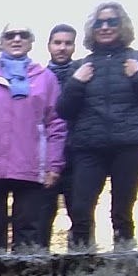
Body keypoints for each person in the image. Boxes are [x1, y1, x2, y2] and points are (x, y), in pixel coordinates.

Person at [55, 2, 138, 252]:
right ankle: (80, 266)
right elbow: (63, 110)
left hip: (129, 145)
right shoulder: (79, 66)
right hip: (88, 147)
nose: (105, 27)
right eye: (99, 23)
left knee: (122, 212)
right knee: (80, 210)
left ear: (122, 25)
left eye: (112, 22)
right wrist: (76, 83)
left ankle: (124, 264)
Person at [0, 25, 67, 253]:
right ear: (1, 42)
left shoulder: (45, 78)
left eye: (23, 35)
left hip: (31, 165)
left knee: (28, 229)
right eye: (10, 35)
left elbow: (56, 124)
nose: (16, 39)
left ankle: (25, 275)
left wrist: (53, 165)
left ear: (31, 42)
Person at [37, 24, 80, 249]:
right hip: (44, 159)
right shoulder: (38, 78)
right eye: (57, 43)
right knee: (41, 219)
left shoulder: (84, 75)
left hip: (78, 157)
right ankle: (38, 264)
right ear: (49, 45)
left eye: (68, 43)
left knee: (81, 218)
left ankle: (81, 264)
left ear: (74, 46)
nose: (62, 48)